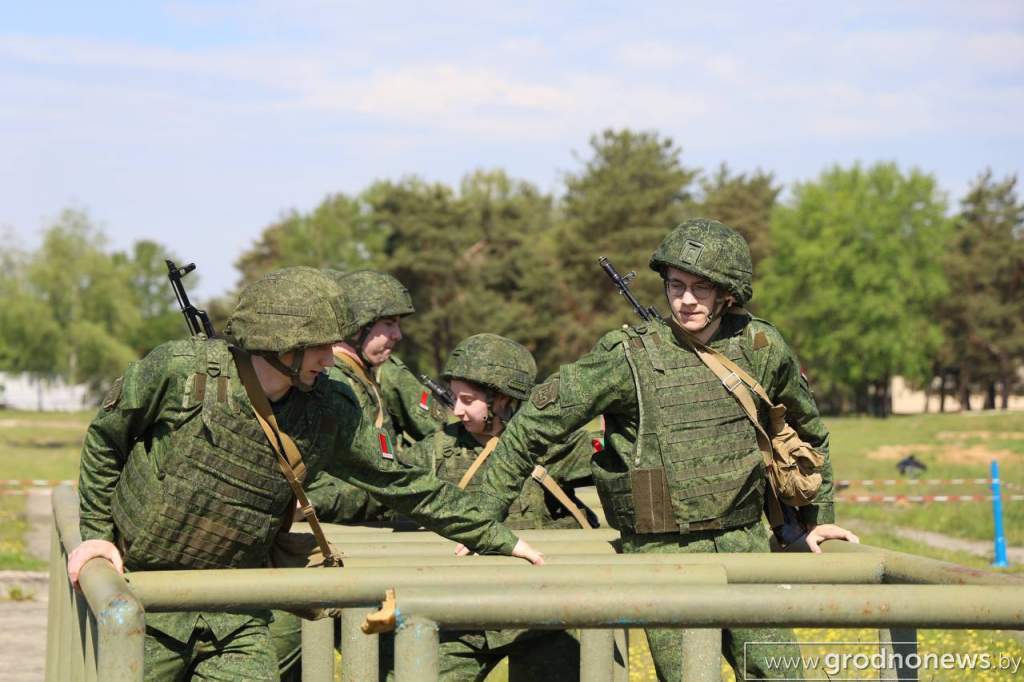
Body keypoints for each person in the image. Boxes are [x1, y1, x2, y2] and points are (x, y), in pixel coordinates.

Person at [68, 267, 541, 681]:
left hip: (237, 611)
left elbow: (404, 485)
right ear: (280, 345)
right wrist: (95, 536)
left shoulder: (329, 408)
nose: (330, 360)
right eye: (319, 347)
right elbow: (106, 440)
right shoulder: (179, 372)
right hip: (144, 599)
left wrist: (496, 537)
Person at [473, 219, 859, 681]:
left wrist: (818, 517)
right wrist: (481, 520)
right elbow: (530, 427)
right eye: (676, 286)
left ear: (729, 293)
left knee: (780, 673)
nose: (687, 299)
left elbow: (808, 429)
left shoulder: (760, 345)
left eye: (701, 287)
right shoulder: (626, 356)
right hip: (662, 555)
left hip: (745, 541)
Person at [399, 333, 595, 681]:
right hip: (461, 619)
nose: (456, 410)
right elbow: (380, 488)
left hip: (540, 616)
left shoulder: (554, 444)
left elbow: (615, 474)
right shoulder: (438, 449)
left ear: (502, 399)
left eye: (467, 400)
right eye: (454, 398)